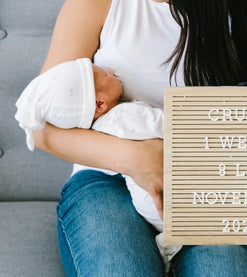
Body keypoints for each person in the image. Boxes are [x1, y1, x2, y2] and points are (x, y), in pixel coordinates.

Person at [34, 0, 247, 276]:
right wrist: (137, 159)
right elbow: (41, 127)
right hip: (108, 179)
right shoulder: (96, 4)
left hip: (213, 185)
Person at [15, 58, 179, 269]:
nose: (111, 71)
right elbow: (168, 124)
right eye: (105, 75)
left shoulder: (101, 127)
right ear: (99, 104)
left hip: (148, 201)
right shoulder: (125, 116)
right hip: (157, 195)